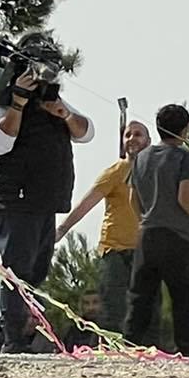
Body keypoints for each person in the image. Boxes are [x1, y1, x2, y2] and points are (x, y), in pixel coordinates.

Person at [0, 32, 93, 352]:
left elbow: (86, 133)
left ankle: (22, 333)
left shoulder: (52, 100)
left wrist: (64, 114)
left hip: (45, 197)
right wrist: (17, 102)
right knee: (16, 267)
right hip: (14, 196)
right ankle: (12, 337)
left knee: (37, 268)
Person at [123, 104, 189, 353]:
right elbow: (184, 197)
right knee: (182, 296)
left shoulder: (142, 157)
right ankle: (186, 349)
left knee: (140, 296)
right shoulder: (182, 156)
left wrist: (144, 219)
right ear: (185, 130)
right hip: (175, 236)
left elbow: (132, 197)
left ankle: (129, 344)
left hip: (147, 234)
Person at [56, 121, 147, 333]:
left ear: (148, 141)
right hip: (114, 249)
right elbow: (88, 202)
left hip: (144, 250)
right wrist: (63, 229)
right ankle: (111, 350)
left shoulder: (155, 169)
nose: (132, 139)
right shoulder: (116, 171)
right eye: (128, 135)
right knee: (113, 308)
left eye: (138, 134)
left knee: (144, 307)